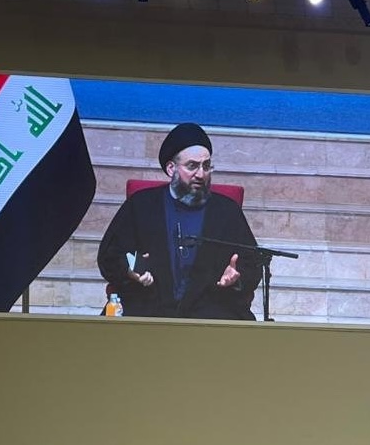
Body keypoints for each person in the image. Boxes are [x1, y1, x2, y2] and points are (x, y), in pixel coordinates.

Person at [96, 122, 261, 319]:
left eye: (206, 166)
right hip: (150, 306)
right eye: (192, 166)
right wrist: (130, 271)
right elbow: (110, 256)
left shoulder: (226, 210)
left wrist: (236, 278)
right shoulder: (141, 205)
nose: (201, 174)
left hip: (210, 309)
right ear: (171, 168)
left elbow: (251, 263)